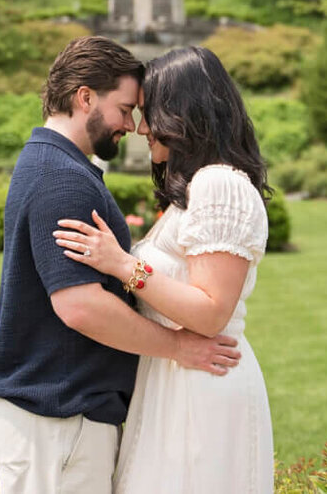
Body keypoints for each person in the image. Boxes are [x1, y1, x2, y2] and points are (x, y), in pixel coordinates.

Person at [0, 35, 243, 494]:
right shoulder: (62, 179)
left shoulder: (51, 165)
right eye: (125, 109)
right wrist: (178, 348)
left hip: (61, 416)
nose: (133, 125)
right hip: (61, 419)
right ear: (85, 97)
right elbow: (81, 307)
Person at [54, 45, 274, 494]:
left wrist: (122, 264)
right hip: (175, 379)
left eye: (149, 112)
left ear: (183, 113)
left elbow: (212, 312)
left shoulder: (220, 184)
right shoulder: (196, 189)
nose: (140, 127)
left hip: (201, 386)